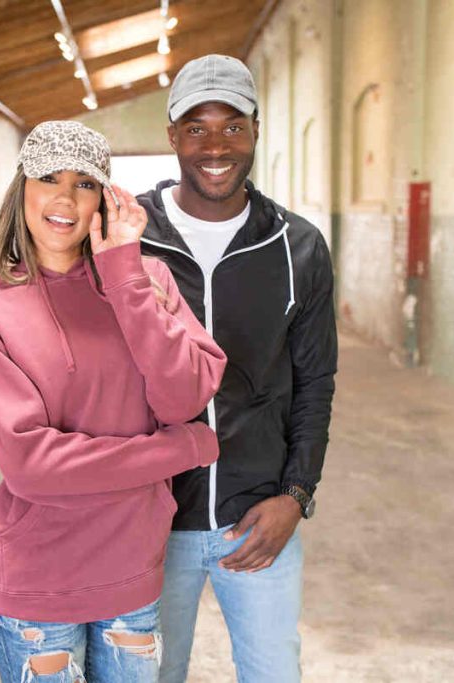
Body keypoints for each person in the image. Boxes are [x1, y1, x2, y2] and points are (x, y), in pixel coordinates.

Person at [0, 120, 227, 683]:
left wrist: (126, 284)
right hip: (37, 586)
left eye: (83, 184)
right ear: (22, 192)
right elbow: (33, 468)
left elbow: (184, 396)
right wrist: (181, 450)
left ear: (102, 201)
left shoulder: (146, 280)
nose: (63, 197)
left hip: (131, 569)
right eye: (48, 178)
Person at [136, 55, 338, 682]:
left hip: (258, 520)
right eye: (196, 127)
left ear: (255, 131)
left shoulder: (296, 245)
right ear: (172, 136)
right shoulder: (126, 236)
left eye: (233, 126)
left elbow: (315, 382)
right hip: (148, 519)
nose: (215, 145)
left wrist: (295, 497)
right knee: (149, 675)